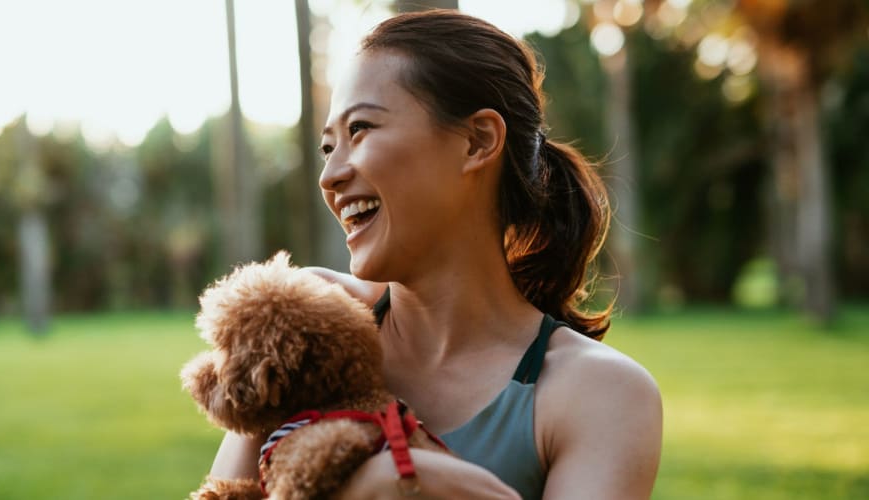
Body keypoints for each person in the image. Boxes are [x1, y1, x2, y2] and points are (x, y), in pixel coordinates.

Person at [205, 9, 662, 499]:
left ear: (477, 141)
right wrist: (371, 486)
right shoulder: (307, 329)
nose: (330, 175)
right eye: (326, 146)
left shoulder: (599, 393)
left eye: (360, 129)